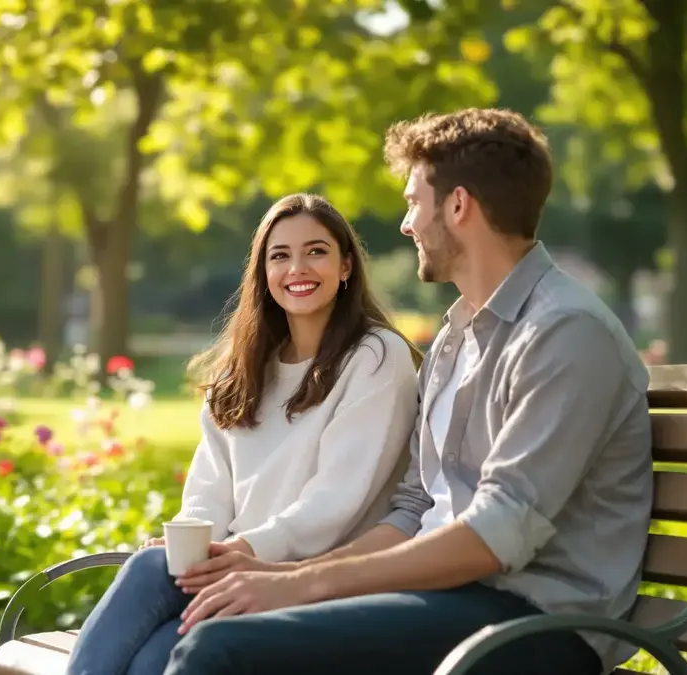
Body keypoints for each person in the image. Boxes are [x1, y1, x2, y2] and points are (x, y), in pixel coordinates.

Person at [163, 108, 654, 675]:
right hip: (452, 598)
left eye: (413, 202)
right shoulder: (455, 336)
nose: (405, 224)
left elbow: (498, 534)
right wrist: (285, 577)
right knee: (226, 622)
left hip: (536, 619)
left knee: (221, 649)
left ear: (459, 206)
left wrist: (308, 584)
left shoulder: (565, 333)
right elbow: (416, 507)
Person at [65, 194, 423, 675]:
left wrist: (245, 551)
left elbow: (337, 500)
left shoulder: (376, 356)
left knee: (152, 636)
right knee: (151, 650)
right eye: (280, 256)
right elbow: (208, 492)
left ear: (346, 267)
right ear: (263, 273)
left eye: (316, 251)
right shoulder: (243, 369)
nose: (298, 267)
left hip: (306, 579)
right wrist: (198, 549)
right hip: (232, 570)